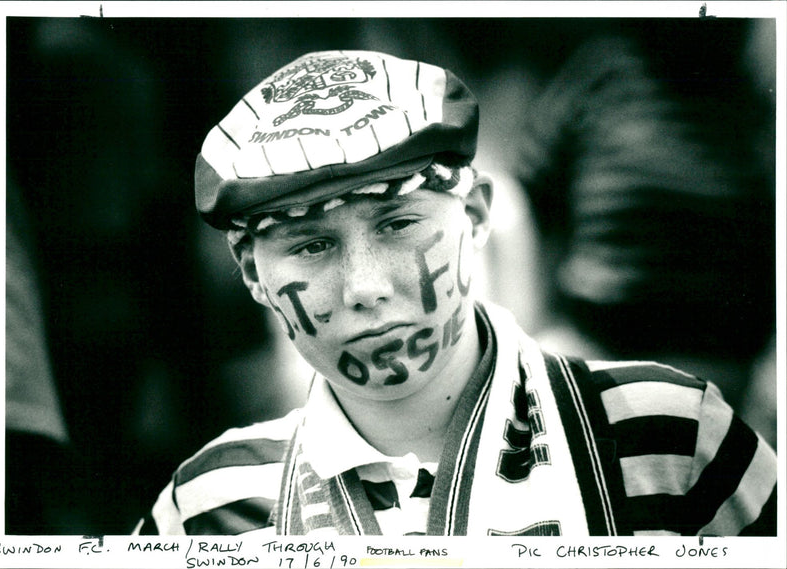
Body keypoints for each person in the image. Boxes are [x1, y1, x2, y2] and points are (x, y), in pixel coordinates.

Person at [135, 50, 776, 537]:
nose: (365, 288)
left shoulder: (671, 438)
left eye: (398, 224)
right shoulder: (207, 508)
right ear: (251, 272)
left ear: (473, 214)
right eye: (310, 245)